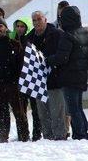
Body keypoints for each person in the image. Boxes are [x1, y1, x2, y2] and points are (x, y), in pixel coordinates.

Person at [46, 6, 88, 140]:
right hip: (82, 74)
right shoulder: (84, 32)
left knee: (73, 108)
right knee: (78, 106)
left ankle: (80, 134)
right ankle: (83, 132)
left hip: (69, 76)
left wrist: (48, 60)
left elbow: (62, 57)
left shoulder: (67, 35)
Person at [0, 18, 29, 142]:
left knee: (19, 113)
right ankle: (1, 138)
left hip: (13, 85)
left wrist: (20, 82)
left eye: (1, 26)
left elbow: (21, 65)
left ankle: (24, 137)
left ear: (6, 28)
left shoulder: (15, 44)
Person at [28, 11, 67, 140]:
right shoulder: (30, 37)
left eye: (39, 19)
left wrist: (48, 61)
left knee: (57, 112)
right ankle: (48, 138)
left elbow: (62, 56)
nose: (36, 22)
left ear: (45, 19)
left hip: (54, 79)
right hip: (38, 81)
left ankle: (60, 137)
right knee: (42, 114)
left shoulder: (57, 34)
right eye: (34, 20)